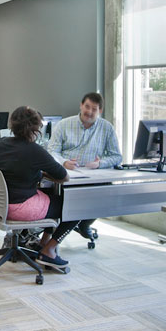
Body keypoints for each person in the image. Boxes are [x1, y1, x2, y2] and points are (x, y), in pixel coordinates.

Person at [0, 106, 81, 270]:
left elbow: (15, 170)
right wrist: (45, 173)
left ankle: (43, 243)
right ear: (36, 128)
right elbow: (63, 177)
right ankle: (49, 251)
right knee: (76, 206)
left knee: (50, 195)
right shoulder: (34, 150)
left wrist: (39, 173)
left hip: (1, 205)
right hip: (20, 208)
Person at [47, 92, 122, 240]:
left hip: (93, 176)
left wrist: (100, 163)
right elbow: (51, 150)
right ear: (81, 105)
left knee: (108, 194)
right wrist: (63, 162)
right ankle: (55, 239)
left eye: (94, 109)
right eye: (87, 107)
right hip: (68, 175)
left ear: (100, 111)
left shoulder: (107, 128)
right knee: (73, 200)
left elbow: (117, 156)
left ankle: (85, 223)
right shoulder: (64, 125)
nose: (89, 112)